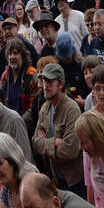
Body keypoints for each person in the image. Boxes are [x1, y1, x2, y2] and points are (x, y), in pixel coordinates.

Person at [30, 62, 85, 196]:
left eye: (49, 81)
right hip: (55, 179)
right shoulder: (45, 108)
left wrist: (46, 144)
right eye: (43, 81)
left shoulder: (71, 109)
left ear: (60, 84)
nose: (45, 85)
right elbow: (35, 143)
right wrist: (54, 142)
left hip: (74, 181)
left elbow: (70, 151)